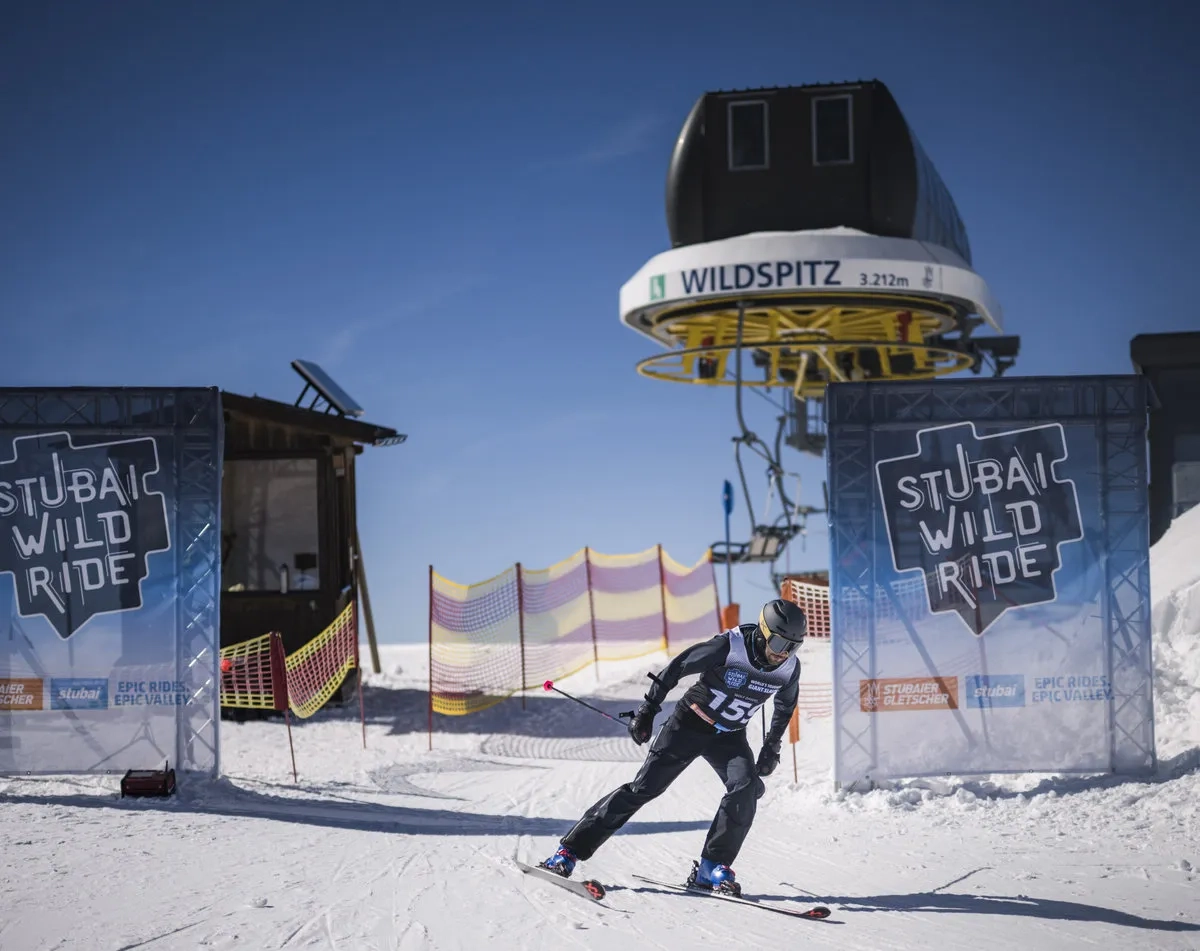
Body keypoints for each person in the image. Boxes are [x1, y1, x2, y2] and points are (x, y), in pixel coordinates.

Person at [538, 598, 807, 896]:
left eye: (793, 646)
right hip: (689, 724)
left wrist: (771, 747)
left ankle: (711, 868)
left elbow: (785, 706)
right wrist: (648, 709)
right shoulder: (730, 647)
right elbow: (678, 667)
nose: (783, 652)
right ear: (763, 631)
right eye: (780, 642)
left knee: (745, 788)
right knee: (644, 789)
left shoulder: (788, 669)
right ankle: (567, 853)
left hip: (730, 735)